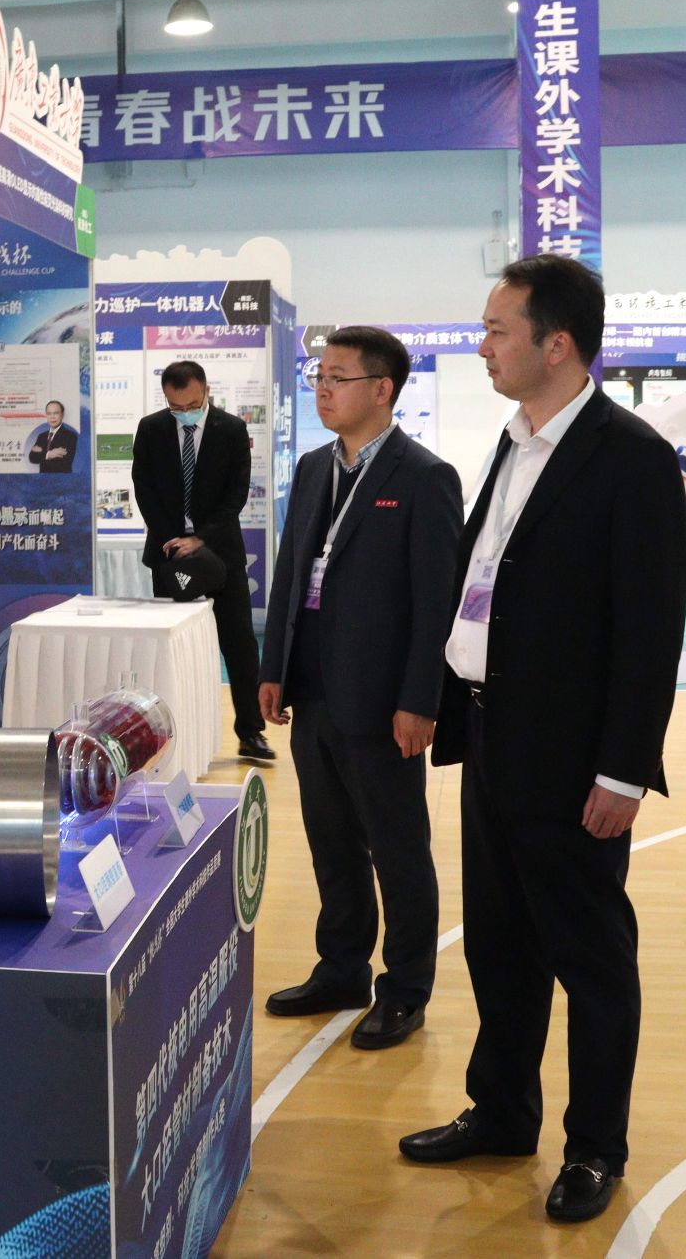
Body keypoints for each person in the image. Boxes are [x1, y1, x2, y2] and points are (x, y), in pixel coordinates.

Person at [398, 254, 686, 1225]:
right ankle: (501, 1110)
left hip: (571, 758)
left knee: (590, 958)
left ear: (555, 344)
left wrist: (623, 771)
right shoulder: (514, 442)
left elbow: (648, 629)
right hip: (492, 735)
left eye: (497, 329)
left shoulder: (629, 457)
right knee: (499, 942)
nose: (481, 345)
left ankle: (595, 1145)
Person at [256, 327, 462, 1048]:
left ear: (382, 389)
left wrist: (420, 699)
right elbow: (292, 573)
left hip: (382, 699)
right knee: (331, 841)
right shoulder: (315, 467)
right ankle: (342, 967)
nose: (323, 389)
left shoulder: (425, 477)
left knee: (397, 849)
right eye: (319, 377)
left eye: (337, 378)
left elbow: (435, 602)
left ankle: (404, 989)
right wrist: (273, 667)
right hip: (314, 687)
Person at [131, 360, 274, 763]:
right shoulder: (151, 429)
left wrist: (199, 538)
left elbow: (236, 494)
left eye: (192, 405)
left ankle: (251, 732)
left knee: (240, 644)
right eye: (176, 407)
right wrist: (172, 540)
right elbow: (144, 489)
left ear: (206, 391)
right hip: (168, 553)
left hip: (221, 553)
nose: (184, 413)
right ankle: (171, 735)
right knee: (170, 646)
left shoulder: (232, 429)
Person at [27, 400, 79, 473]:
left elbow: (64, 462)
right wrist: (49, 454)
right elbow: (32, 458)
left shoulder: (70, 436)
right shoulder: (42, 436)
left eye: (56, 413)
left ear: (62, 415)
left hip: (61, 478)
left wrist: (41, 454)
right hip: (43, 478)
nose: (52, 417)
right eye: (49, 413)